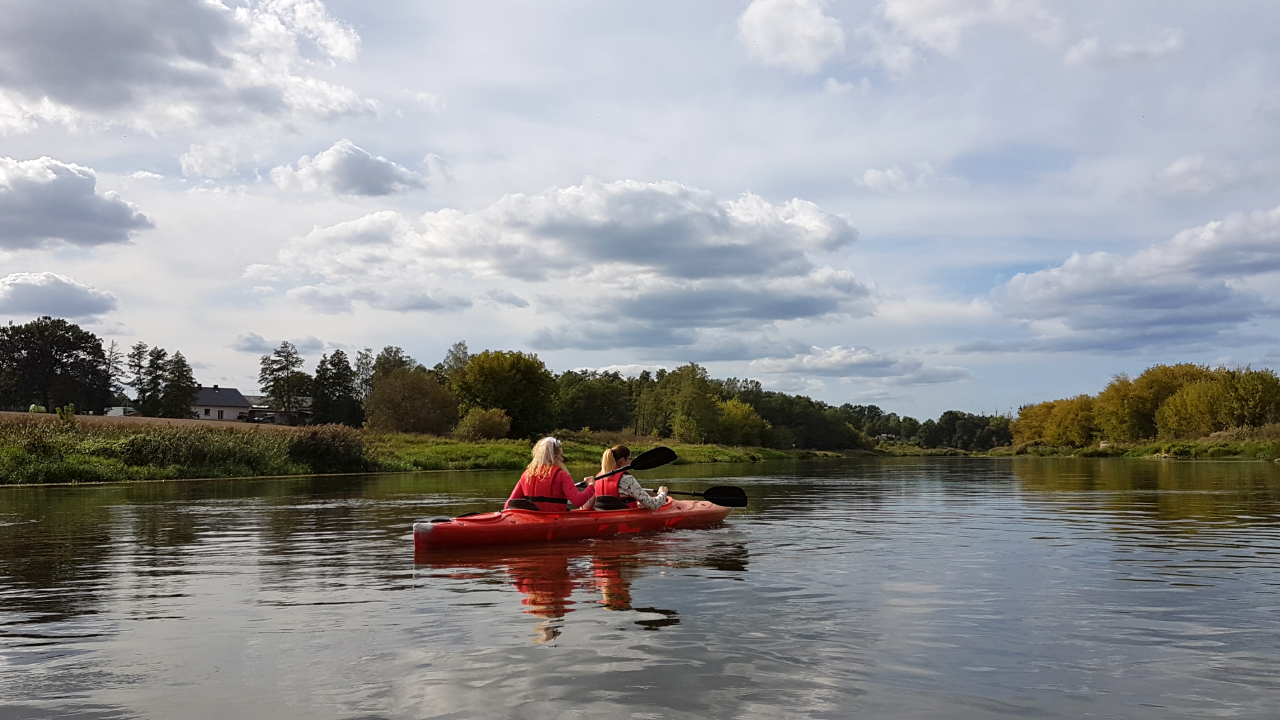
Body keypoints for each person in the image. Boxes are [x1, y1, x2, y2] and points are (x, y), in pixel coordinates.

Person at [506, 436, 595, 512]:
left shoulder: (526, 475)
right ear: (555, 456)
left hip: (531, 518)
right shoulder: (562, 475)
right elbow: (578, 501)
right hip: (555, 519)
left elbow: (508, 505)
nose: (562, 459)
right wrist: (591, 486)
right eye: (561, 456)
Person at [583, 445, 668, 511]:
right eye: (629, 459)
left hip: (602, 516)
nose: (630, 462)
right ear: (623, 460)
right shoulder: (626, 479)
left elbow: (586, 506)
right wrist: (663, 493)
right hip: (624, 518)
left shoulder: (597, 478)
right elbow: (652, 505)